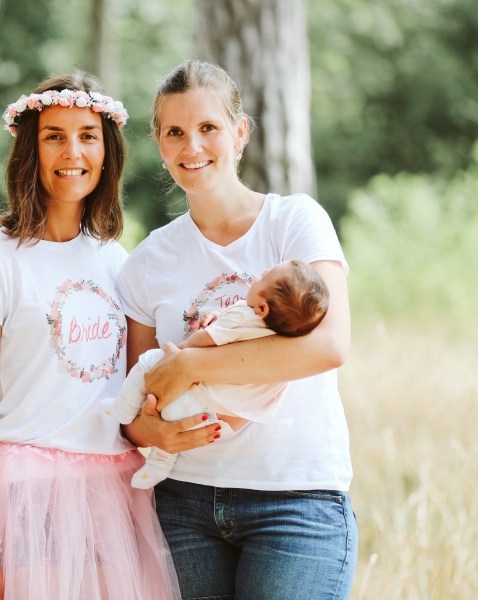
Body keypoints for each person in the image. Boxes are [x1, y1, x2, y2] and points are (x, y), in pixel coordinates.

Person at [0, 71, 211, 600]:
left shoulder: (118, 261)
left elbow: (132, 389)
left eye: (87, 135)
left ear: (107, 152)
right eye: (54, 135)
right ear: (31, 148)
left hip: (112, 496)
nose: (71, 151)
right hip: (25, 494)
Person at [116, 59, 358, 599]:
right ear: (158, 142)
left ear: (240, 132)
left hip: (295, 501)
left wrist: (194, 364)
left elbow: (330, 345)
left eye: (208, 128)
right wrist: (145, 433)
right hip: (184, 507)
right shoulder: (148, 260)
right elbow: (133, 396)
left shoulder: (295, 222)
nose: (192, 146)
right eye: (175, 132)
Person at [109, 259, 330, 489]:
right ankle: (159, 465)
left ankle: (123, 409)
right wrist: (217, 313)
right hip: (214, 411)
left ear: (262, 309)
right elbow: (233, 322)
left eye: (267, 276)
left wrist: (182, 354)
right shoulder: (271, 334)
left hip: (198, 394)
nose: (263, 271)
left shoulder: (245, 317)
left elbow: (208, 338)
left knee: (147, 363)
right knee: (173, 420)